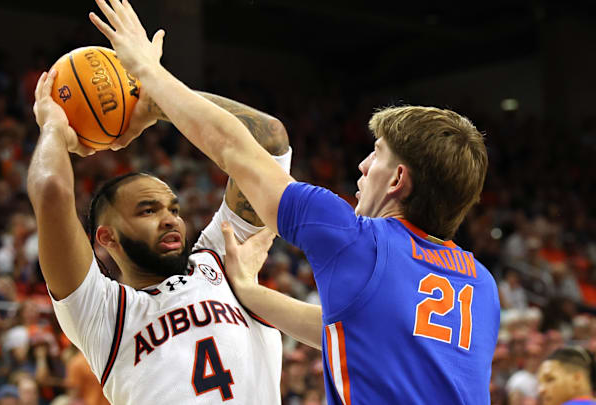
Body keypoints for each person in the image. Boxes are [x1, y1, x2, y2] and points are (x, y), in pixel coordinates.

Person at [87, 0, 500, 403]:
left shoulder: (357, 241)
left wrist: (147, 74)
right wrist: (249, 293)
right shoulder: (481, 284)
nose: (362, 165)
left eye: (376, 154)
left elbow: (236, 147)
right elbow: (346, 330)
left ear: (396, 179)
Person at [28, 40, 292, 404]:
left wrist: (154, 101)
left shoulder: (223, 260)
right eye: (148, 211)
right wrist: (54, 127)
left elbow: (269, 140)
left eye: (173, 209)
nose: (170, 220)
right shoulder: (103, 315)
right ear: (108, 238)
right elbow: (52, 192)